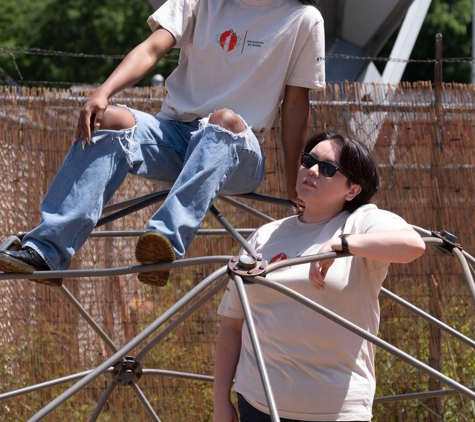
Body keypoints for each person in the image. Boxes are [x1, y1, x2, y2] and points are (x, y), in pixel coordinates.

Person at [0, 0, 325, 287]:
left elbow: (296, 106)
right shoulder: (203, 2)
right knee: (109, 118)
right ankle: (48, 250)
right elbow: (152, 49)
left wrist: (293, 180)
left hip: (238, 152)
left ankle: (163, 244)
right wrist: (103, 93)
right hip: (176, 137)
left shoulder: (303, 19)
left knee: (223, 120)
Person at [213, 131, 426, 422]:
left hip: (333, 409)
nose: (311, 170)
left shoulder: (361, 221)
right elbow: (231, 326)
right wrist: (220, 401)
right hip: (257, 402)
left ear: (352, 190)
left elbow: (412, 245)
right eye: (308, 160)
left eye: (327, 169)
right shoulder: (266, 234)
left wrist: (342, 244)